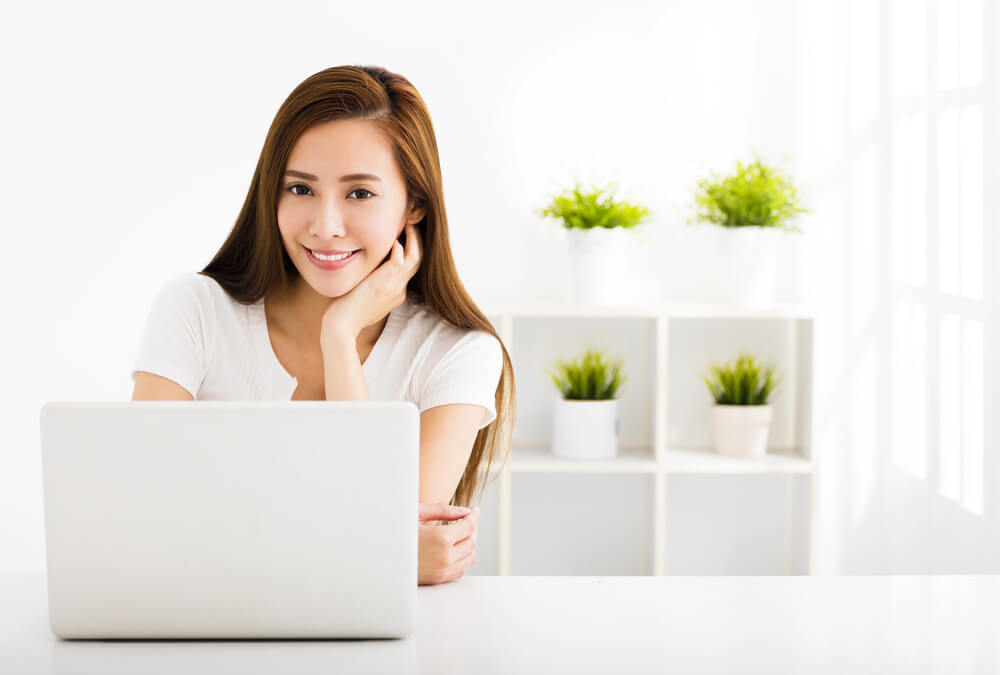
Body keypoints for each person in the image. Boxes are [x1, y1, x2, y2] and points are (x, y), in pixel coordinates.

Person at [130, 65, 515, 586]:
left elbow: (393, 523)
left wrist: (340, 337)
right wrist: (388, 552)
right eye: (300, 189)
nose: (325, 226)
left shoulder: (459, 352)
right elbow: (144, 516)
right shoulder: (195, 310)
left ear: (415, 204)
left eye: (360, 194)